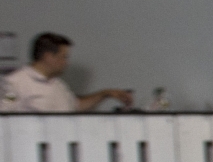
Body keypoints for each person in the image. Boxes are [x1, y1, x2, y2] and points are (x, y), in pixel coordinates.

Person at [0, 33, 132, 113]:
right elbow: (6, 114)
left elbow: (76, 106)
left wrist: (105, 94)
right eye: (64, 57)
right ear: (48, 56)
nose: (66, 62)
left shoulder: (57, 84)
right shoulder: (15, 83)